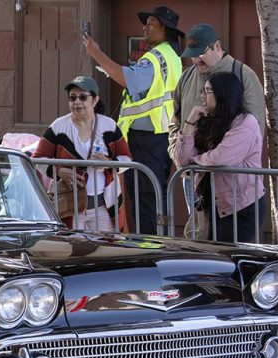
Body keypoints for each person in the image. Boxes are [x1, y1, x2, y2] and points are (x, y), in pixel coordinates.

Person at [83, 5, 183, 235]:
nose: (145, 28)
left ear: (165, 30)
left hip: (148, 141)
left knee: (144, 201)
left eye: (151, 24)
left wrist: (95, 52)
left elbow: (132, 81)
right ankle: (159, 248)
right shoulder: (172, 56)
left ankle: (150, 253)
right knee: (154, 199)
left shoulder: (155, 57)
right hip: (160, 137)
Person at [169, 23, 266, 239]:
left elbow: (253, 128)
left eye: (201, 53)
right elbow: (175, 121)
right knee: (200, 241)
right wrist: (178, 151)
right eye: (192, 55)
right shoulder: (186, 77)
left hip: (234, 188)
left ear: (218, 47)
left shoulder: (244, 75)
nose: (196, 60)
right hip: (196, 180)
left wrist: (194, 161)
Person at [32, 76, 132, 231]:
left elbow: (127, 159)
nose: (77, 102)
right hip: (70, 207)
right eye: (72, 98)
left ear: (95, 100)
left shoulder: (109, 126)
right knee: (73, 251)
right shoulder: (58, 127)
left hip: (104, 207)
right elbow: (38, 159)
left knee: (107, 249)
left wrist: (109, 164)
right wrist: (57, 171)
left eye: (83, 97)